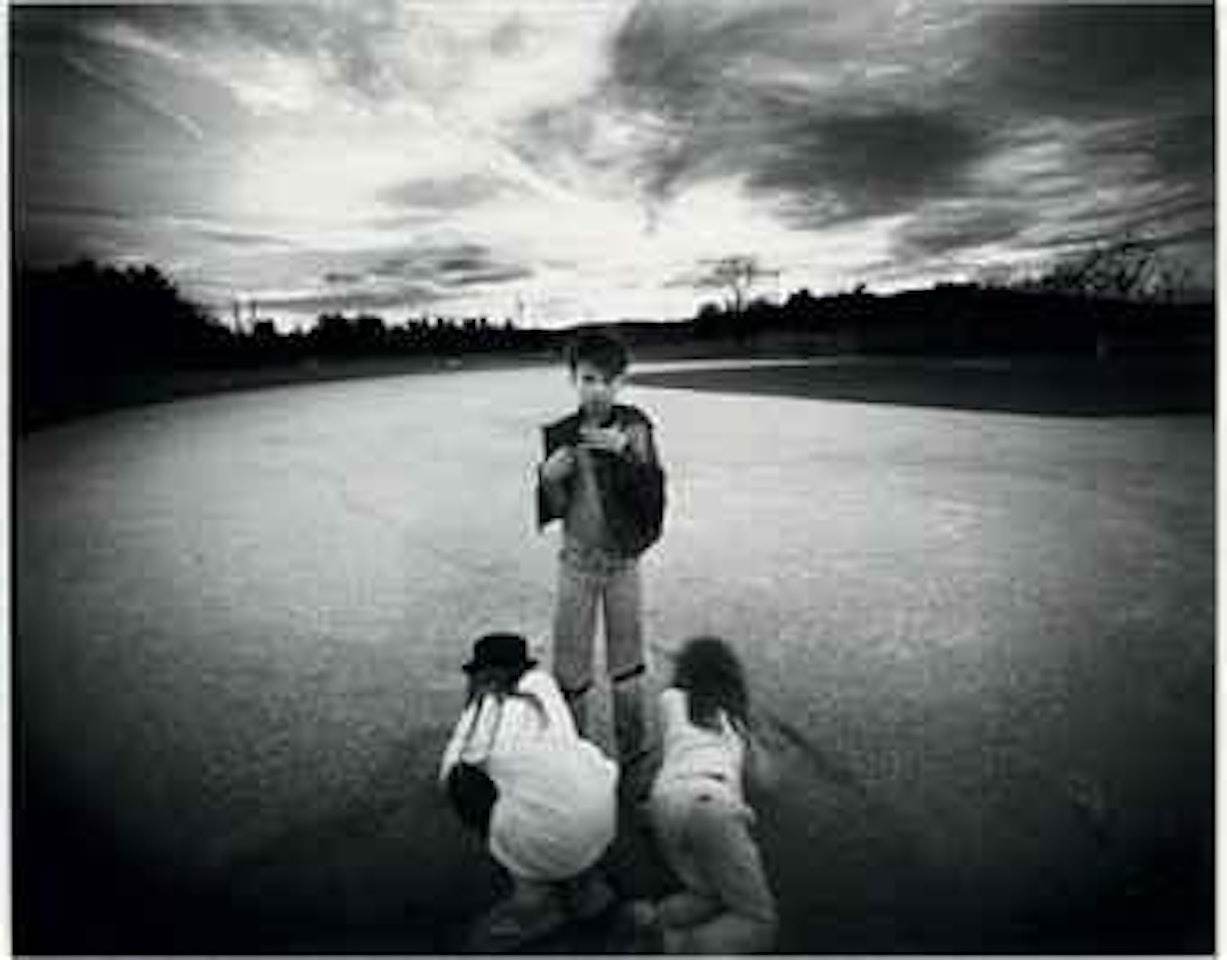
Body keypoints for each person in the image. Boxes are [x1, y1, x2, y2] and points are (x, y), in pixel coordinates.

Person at [438, 632, 619, 951]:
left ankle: (535, 897)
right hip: (600, 820)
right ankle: (587, 889)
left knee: (463, 786)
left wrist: (467, 723)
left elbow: (457, 769)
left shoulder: (487, 708)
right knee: (559, 779)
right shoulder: (544, 686)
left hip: (549, 837)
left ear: (483, 676)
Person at [536, 329, 666, 768]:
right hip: (575, 565)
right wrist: (548, 479)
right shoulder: (560, 434)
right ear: (572, 378)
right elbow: (556, 509)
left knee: (627, 664)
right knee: (570, 666)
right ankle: (575, 757)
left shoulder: (635, 427)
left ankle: (633, 755)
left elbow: (653, 499)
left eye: (609, 381)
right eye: (589, 379)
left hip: (622, 565)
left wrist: (628, 453)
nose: (599, 390)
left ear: (622, 382)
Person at [630, 636, 778, 954]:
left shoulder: (670, 701)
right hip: (713, 805)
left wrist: (643, 807)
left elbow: (659, 759)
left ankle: (652, 919)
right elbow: (766, 782)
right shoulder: (735, 720)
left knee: (712, 894)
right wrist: (755, 737)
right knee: (759, 923)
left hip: (666, 803)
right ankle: (673, 946)